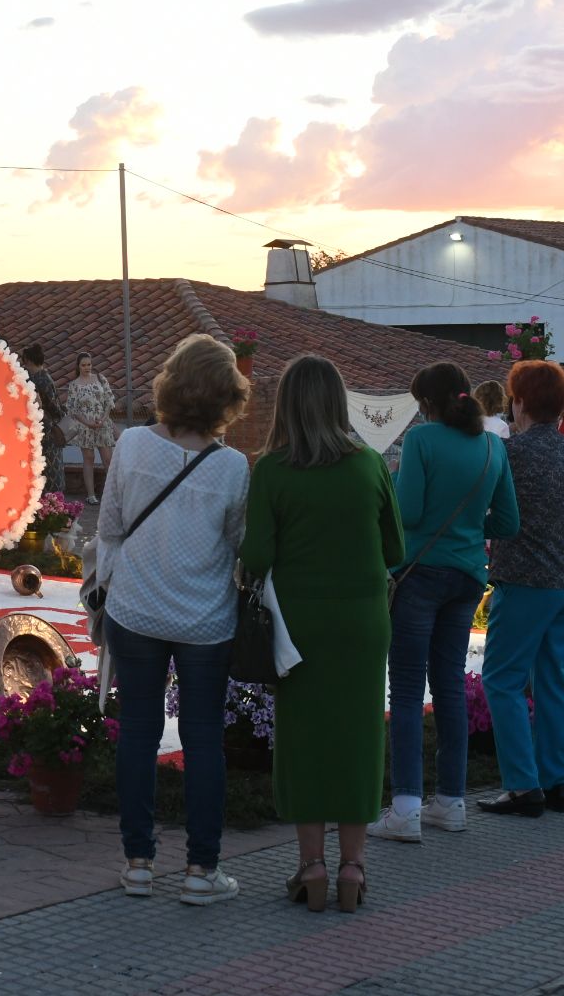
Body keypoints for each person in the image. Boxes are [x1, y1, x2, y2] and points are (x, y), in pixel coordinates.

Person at [242, 355, 403, 913]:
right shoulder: (369, 465)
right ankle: (353, 868)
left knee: (303, 739)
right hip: (362, 621)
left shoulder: (272, 470)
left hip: (298, 626)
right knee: (360, 738)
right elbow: (395, 550)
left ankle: (311, 865)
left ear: (285, 404)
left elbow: (256, 556)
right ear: (340, 403)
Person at [98, 335, 251, 905]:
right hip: (206, 620)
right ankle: (201, 871)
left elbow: (110, 526)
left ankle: (138, 862)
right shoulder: (233, 466)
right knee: (203, 739)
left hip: (134, 609)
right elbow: (239, 544)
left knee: (137, 733)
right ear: (226, 398)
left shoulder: (133, 445)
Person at [371, 363, 518, 844]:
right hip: (469, 576)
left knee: (409, 690)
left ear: (427, 403)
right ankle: (451, 802)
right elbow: (508, 521)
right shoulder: (494, 445)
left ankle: (406, 808)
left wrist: (392, 485)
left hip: (418, 573)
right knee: (450, 685)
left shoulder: (420, 441)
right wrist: (470, 533)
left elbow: (408, 511)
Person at [480, 361, 564, 816]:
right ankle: (556, 781)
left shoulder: (508, 454)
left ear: (518, 402)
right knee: (557, 682)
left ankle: (522, 787)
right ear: (562, 406)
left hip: (524, 584)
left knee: (503, 680)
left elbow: (487, 514)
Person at [66, 352, 117, 504]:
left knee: (108, 459)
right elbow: (73, 410)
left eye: (89, 364)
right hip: (85, 427)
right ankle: (91, 495)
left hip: (103, 424)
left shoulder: (101, 379)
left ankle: (111, 494)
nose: (87, 367)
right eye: (84, 365)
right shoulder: (74, 385)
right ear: (78, 366)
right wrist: (87, 423)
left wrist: (103, 419)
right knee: (89, 459)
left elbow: (109, 401)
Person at [21, 344, 66, 489]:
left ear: (27, 360)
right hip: (48, 428)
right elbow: (54, 407)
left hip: (34, 427)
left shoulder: (28, 379)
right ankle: (54, 499)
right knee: (52, 465)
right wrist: (62, 414)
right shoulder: (44, 378)